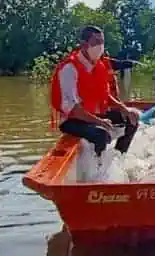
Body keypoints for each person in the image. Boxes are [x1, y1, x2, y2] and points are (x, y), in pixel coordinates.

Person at [51, 25, 139, 157]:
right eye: (96, 42)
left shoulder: (99, 65)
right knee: (101, 134)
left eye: (102, 42)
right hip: (72, 120)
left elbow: (105, 94)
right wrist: (100, 122)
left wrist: (124, 109)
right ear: (84, 44)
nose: (100, 46)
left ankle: (119, 156)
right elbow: (73, 109)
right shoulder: (69, 68)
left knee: (133, 118)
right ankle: (98, 169)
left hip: (92, 115)